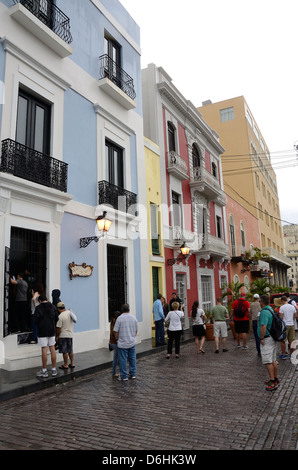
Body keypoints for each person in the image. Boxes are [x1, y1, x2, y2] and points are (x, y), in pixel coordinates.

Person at [33, 295, 59, 378]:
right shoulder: (53, 307)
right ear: (46, 299)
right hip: (52, 330)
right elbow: (56, 319)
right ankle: (54, 369)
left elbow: (35, 320)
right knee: (52, 349)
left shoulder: (38, 308)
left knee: (44, 349)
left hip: (42, 331)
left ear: (40, 300)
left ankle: (44, 370)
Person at [258, 295, 279, 391]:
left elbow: (263, 326)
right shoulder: (271, 309)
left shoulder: (264, 312)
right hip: (272, 337)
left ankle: (272, 382)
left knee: (267, 361)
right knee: (273, 359)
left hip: (267, 338)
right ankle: (275, 378)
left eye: (259, 302)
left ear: (262, 302)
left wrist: (261, 337)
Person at [113, 304, 138, 381]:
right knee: (132, 358)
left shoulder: (119, 319)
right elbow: (136, 331)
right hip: (131, 341)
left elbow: (115, 331)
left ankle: (124, 376)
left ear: (122, 310)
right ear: (129, 309)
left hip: (122, 342)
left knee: (123, 359)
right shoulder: (134, 318)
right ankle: (133, 374)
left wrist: (117, 339)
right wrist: (132, 337)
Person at [56, 302, 77, 370]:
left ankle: (65, 364)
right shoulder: (69, 313)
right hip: (70, 334)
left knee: (64, 351)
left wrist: (57, 336)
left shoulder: (60, 316)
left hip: (63, 335)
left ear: (58, 309)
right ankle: (72, 363)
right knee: (70, 350)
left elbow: (58, 328)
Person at [109, 311, 121, 378]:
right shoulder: (116, 323)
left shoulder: (112, 322)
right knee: (117, 358)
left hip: (111, 342)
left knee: (116, 358)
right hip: (115, 342)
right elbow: (115, 334)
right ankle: (115, 373)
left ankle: (115, 372)